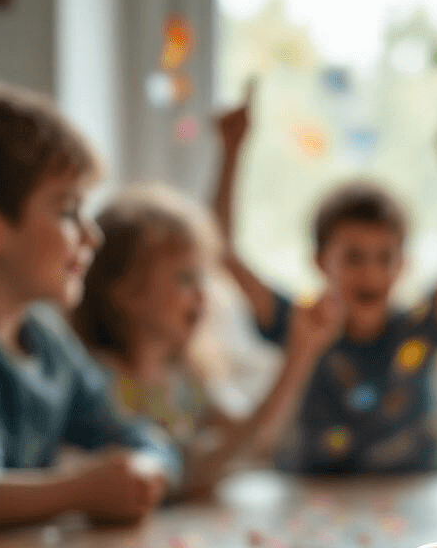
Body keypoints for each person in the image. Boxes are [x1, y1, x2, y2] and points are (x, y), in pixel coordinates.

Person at [212, 84, 437, 474]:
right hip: (313, 493)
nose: (370, 272)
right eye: (352, 257)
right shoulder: (300, 324)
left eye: (384, 258)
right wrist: (232, 150)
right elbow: (223, 252)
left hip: (411, 494)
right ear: (321, 262)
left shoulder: (419, 326)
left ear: (402, 265)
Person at [0, 76, 180, 536]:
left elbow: (132, 432)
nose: (91, 236)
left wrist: (147, 466)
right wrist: (79, 491)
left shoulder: (47, 341)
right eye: (66, 212)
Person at [72, 185, 342, 499]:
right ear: (126, 292)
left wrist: (301, 354)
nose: (202, 295)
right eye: (185, 278)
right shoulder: (96, 383)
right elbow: (190, 474)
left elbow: (254, 440)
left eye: (202, 278)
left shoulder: (190, 375)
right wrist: (296, 356)